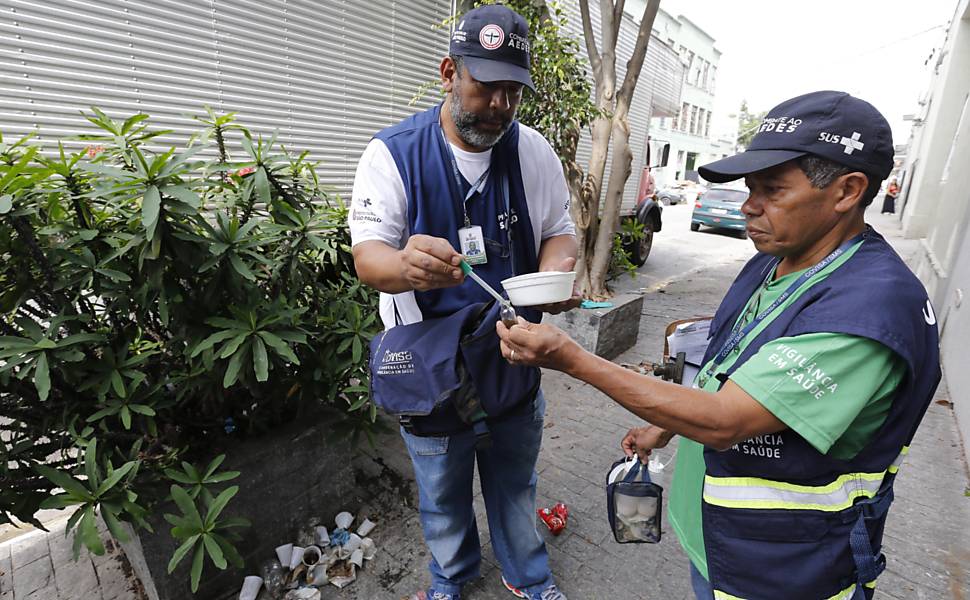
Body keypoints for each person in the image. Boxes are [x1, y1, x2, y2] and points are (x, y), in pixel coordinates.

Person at [496, 91, 941, 600]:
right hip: (722, 539)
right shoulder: (775, 259)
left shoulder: (868, 313)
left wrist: (571, 358)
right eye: (751, 188)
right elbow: (727, 362)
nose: (749, 207)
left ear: (848, 191)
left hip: (784, 569)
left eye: (772, 190)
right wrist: (662, 426)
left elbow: (727, 419)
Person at [349, 6, 580, 600]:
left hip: (514, 353)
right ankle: (450, 578)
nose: (500, 104)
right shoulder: (393, 154)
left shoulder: (532, 153)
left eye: (512, 90)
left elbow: (558, 229)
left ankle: (528, 576)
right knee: (443, 494)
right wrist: (405, 267)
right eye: (486, 86)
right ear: (450, 72)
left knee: (514, 483)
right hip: (430, 367)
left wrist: (555, 272)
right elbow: (368, 258)